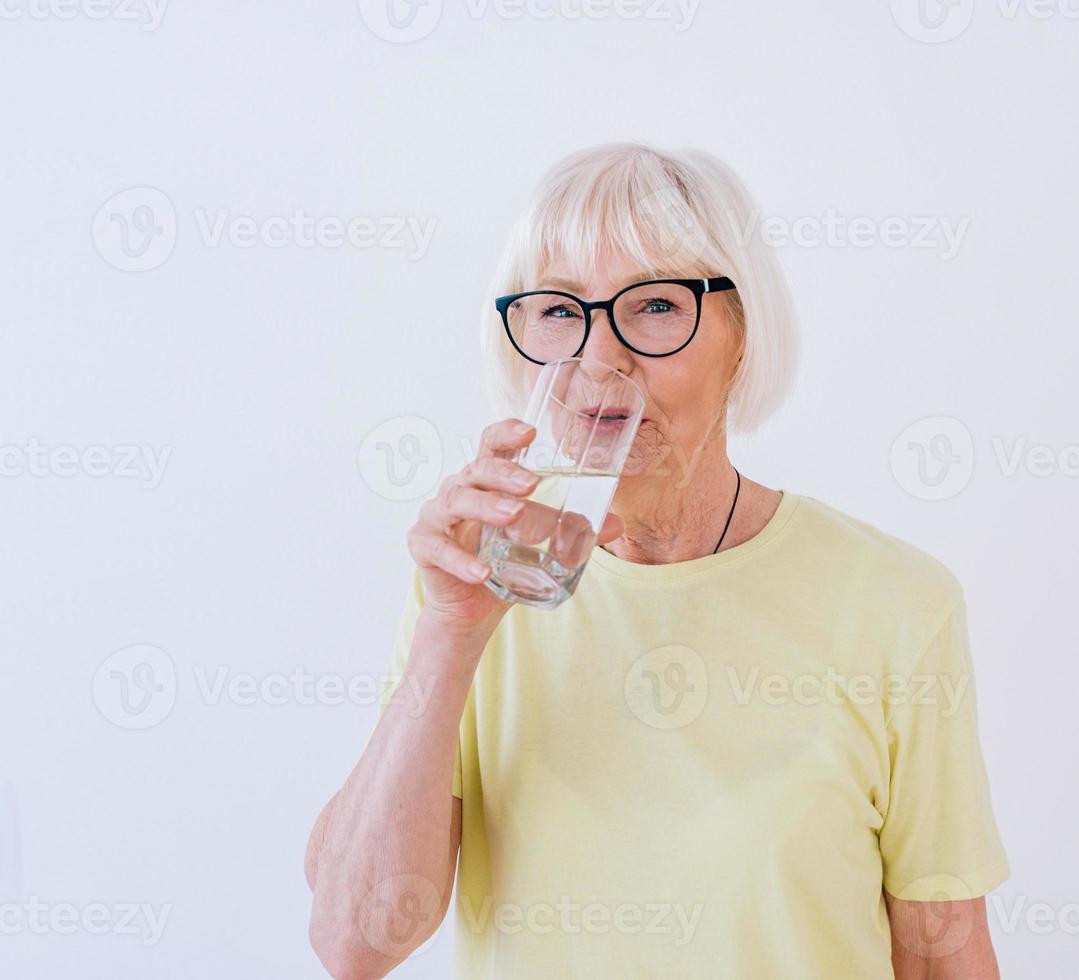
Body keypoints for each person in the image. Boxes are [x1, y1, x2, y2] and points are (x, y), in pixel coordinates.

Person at [305, 141, 1009, 979]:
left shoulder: (893, 601)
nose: (600, 360)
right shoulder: (469, 591)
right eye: (560, 310)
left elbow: (938, 954)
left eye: (654, 307)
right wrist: (448, 636)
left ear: (741, 334)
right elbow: (355, 942)